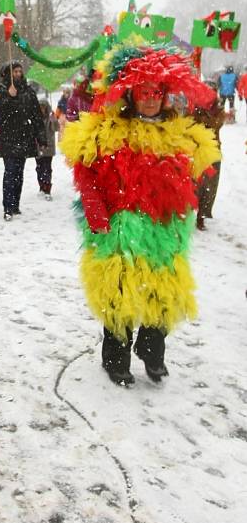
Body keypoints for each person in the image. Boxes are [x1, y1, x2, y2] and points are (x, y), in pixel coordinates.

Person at [62, 43, 220, 386]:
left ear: (165, 95)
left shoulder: (180, 132)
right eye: (144, 92)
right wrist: (93, 205)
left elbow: (197, 170)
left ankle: (152, 351)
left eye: (157, 92)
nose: (150, 99)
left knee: (161, 289)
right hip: (121, 224)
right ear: (132, 94)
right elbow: (85, 167)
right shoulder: (109, 129)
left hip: (163, 228)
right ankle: (115, 357)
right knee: (118, 292)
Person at [0, 61, 46, 221]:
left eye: (19, 71)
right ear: (8, 74)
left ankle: (15, 205)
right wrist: (11, 97)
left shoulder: (28, 91)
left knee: (19, 173)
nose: (18, 74)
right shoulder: (2, 90)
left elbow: (36, 115)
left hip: (24, 137)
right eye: (14, 72)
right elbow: (2, 110)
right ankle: (7, 207)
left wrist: (41, 136)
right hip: (8, 138)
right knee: (10, 172)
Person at [193, 83, 225, 231]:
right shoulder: (195, 106)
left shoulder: (218, 108)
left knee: (210, 186)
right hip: (196, 150)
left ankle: (202, 216)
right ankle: (191, 211)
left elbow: (215, 124)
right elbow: (191, 123)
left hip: (213, 151)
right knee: (195, 183)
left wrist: (204, 115)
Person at [36, 100, 59, 200]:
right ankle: (41, 186)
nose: (42, 109)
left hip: (48, 147)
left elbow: (56, 128)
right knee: (39, 168)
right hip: (38, 147)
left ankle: (47, 189)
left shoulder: (51, 117)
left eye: (43, 107)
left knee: (47, 169)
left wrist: (53, 119)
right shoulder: (35, 117)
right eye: (40, 107)